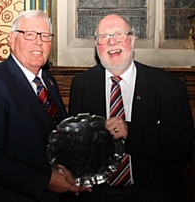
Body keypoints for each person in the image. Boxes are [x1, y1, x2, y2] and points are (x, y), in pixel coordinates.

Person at [67, 14, 195, 202]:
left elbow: (182, 143)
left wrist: (130, 131)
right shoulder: (81, 85)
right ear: (97, 45)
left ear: (132, 40)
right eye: (104, 37)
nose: (112, 42)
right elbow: (76, 143)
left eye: (120, 35)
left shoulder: (168, 86)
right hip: (97, 196)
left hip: (151, 195)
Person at [0, 10, 86, 202]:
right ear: (12, 39)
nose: (39, 42)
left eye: (45, 36)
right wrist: (46, 180)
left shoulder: (48, 81)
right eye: (29, 34)